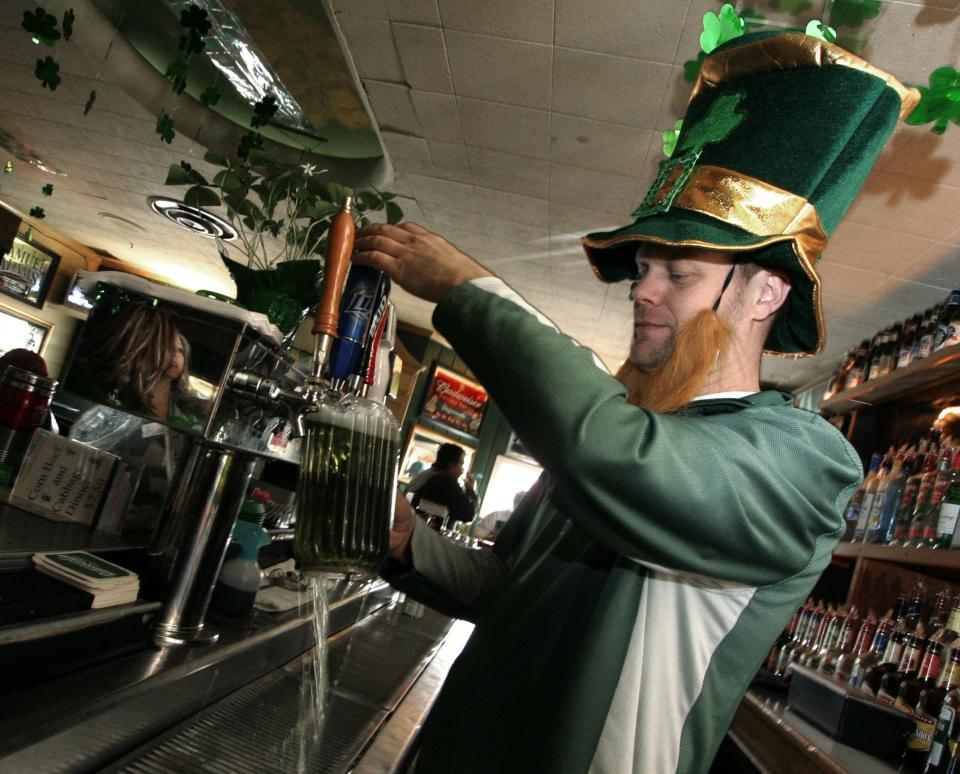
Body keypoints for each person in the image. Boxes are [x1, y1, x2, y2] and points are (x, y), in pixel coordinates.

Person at [355, 29, 918, 774]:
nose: (643, 290)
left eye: (678, 274)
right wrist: (404, 542)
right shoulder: (628, 434)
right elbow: (511, 593)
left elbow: (612, 455)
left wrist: (469, 292)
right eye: (643, 270)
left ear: (766, 292)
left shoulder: (801, 461)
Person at [406, 442, 479, 527]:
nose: (462, 470)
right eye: (461, 464)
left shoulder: (427, 475)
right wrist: (471, 491)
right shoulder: (445, 482)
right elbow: (468, 515)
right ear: (451, 464)